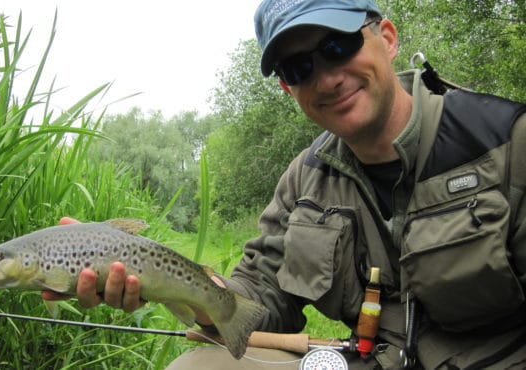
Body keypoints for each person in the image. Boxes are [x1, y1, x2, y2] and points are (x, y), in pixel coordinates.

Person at [44, 0, 526, 368]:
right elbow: (258, 298)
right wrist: (165, 283)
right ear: (286, 88)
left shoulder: (504, 142)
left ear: (388, 37)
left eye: (338, 45)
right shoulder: (305, 178)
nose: (327, 78)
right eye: (299, 68)